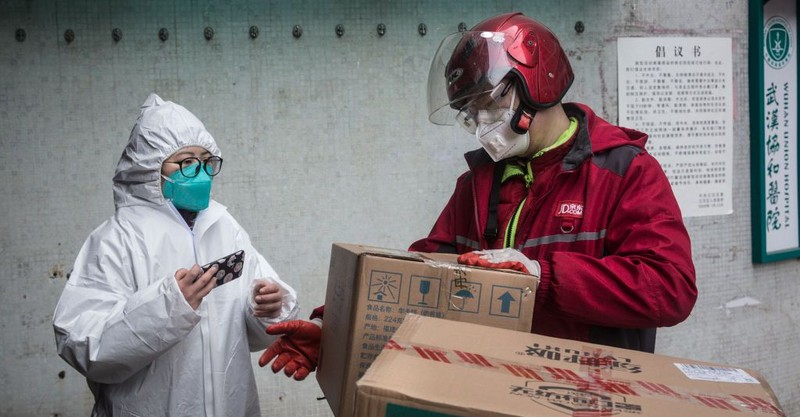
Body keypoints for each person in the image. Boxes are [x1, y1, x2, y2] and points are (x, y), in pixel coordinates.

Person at [258, 12, 697, 381]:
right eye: (470, 113)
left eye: (487, 103)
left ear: (536, 83)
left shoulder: (624, 172)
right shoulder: (478, 186)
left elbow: (670, 288)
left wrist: (544, 278)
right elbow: (420, 276)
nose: (481, 122)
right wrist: (335, 330)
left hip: (590, 397)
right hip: (496, 391)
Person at [53, 93, 298, 417]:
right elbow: (82, 342)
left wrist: (269, 305)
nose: (199, 174)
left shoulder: (225, 226)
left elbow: (262, 324)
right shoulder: (116, 241)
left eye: (207, 162)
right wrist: (168, 307)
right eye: (184, 163)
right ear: (149, 170)